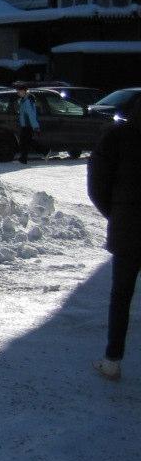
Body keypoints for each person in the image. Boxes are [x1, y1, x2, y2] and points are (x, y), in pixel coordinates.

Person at [88, 102, 141, 381]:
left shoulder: (117, 136)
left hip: (128, 229)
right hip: (126, 225)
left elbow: (96, 185)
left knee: (121, 297)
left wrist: (117, 213)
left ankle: (112, 361)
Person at [14, 82, 41, 164]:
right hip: (25, 124)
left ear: (24, 91)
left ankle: (23, 159)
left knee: (24, 142)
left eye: (19, 91)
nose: (18, 92)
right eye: (17, 91)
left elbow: (31, 114)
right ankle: (45, 151)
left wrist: (35, 126)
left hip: (28, 125)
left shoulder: (27, 101)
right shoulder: (23, 100)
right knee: (26, 142)